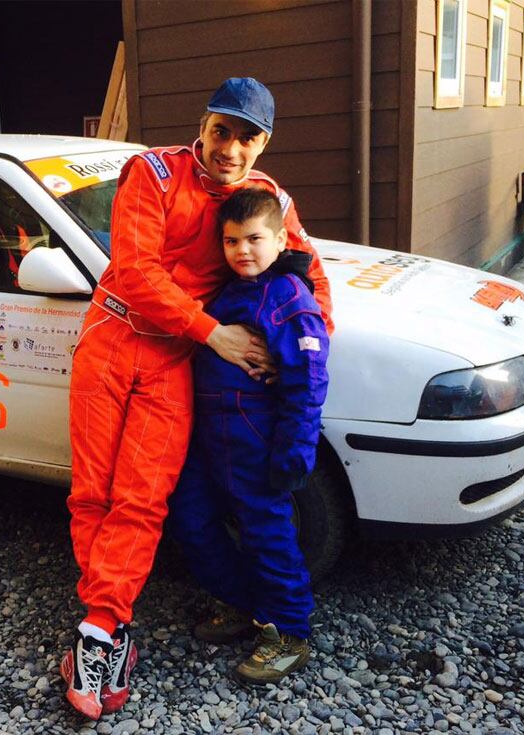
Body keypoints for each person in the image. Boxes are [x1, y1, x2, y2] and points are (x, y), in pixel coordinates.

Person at [60, 77, 333, 719]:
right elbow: (134, 271)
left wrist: (290, 348)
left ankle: (102, 626)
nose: (231, 148)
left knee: (144, 497)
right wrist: (219, 335)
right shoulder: (152, 172)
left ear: (262, 144)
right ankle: (107, 628)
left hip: (177, 361)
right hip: (116, 335)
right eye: (221, 131)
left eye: (247, 137)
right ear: (203, 126)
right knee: (92, 491)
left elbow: (312, 280)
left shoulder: (269, 203)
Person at [167, 187, 329, 686]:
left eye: (255, 239)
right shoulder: (227, 289)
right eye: (232, 240)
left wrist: (295, 451)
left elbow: (308, 379)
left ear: (281, 240)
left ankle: (288, 633)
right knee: (191, 519)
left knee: (267, 534)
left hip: (257, 441)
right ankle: (241, 603)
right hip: (208, 438)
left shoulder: (289, 299)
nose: (243, 251)